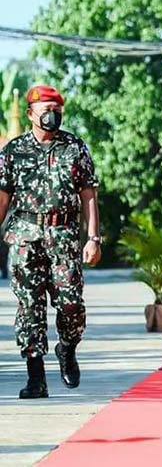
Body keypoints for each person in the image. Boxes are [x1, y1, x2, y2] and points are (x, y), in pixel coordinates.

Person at [0, 84, 101, 399]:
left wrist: (93, 238)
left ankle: (67, 348)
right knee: (29, 306)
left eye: (57, 110)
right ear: (30, 114)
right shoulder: (13, 151)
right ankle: (35, 377)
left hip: (64, 236)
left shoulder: (74, 147)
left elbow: (88, 194)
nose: (52, 116)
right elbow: (3, 198)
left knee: (72, 304)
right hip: (25, 236)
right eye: (46, 111)